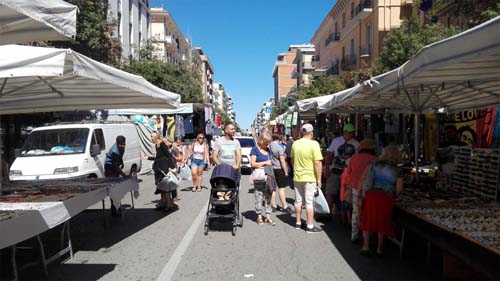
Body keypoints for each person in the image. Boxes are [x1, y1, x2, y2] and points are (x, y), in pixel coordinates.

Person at [359, 145, 404, 257]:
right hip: (386, 198)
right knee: (382, 221)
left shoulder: (374, 165)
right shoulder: (398, 170)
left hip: (372, 195)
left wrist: (361, 193)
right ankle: (379, 249)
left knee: (367, 219)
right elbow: (399, 189)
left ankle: (366, 246)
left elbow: (364, 178)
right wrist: (394, 195)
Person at [341, 138, 378, 242]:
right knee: (368, 213)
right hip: (370, 189)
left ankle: (354, 235)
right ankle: (368, 236)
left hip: (355, 187)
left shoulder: (354, 157)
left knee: (356, 212)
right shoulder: (375, 159)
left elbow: (349, 172)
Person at [291, 123, 323, 233]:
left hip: (297, 176)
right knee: (309, 202)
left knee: (298, 201)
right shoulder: (314, 144)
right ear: (311, 132)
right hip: (309, 177)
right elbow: (317, 163)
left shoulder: (295, 144)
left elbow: (292, 160)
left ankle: (298, 223)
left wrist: (296, 169)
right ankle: (309, 226)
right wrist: (319, 179)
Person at [324, 124, 360, 215]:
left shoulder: (356, 144)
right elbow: (329, 154)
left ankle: (346, 213)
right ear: (344, 132)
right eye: (349, 132)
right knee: (330, 190)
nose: (351, 134)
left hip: (349, 171)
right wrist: (327, 167)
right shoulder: (336, 141)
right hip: (335, 169)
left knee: (347, 193)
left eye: (352, 133)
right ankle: (328, 210)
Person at [144, 133, 178, 212]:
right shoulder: (156, 145)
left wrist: (171, 167)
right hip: (158, 167)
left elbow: (168, 155)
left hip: (164, 167)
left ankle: (168, 204)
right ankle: (163, 203)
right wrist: (148, 158)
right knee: (161, 187)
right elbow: (158, 158)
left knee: (165, 186)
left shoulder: (162, 144)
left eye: (152, 136)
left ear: (156, 137)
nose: (151, 138)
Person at [250, 133, 276, 225]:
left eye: (268, 142)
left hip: (268, 175)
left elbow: (271, 162)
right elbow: (252, 164)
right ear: (261, 141)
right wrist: (265, 162)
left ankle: (268, 216)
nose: (267, 144)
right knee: (259, 196)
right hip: (259, 176)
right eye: (265, 142)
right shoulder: (255, 150)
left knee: (269, 196)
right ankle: (259, 216)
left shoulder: (269, 150)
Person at [104, 135, 128, 216]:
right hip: (110, 168)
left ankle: (116, 207)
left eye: (124, 144)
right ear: (117, 144)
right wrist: (124, 175)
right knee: (114, 189)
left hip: (114, 167)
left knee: (116, 188)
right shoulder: (114, 151)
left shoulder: (120, 147)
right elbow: (115, 167)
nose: (123, 146)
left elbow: (119, 159)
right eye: (121, 145)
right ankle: (114, 209)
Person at [269, 134, 292, 213]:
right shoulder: (279, 147)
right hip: (279, 169)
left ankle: (274, 205)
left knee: (273, 188)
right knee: (281, 188)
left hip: (271, 168)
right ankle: (284, 206)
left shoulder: (269, 146)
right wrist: (285, 171)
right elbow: (282, 161)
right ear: (279, 139)